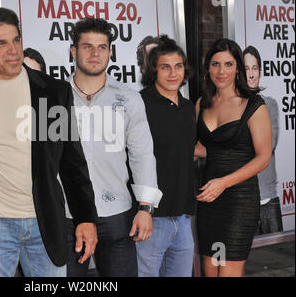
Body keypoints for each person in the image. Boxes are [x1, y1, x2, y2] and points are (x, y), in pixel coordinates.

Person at [0, 7, 98, 277]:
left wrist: (86, 218)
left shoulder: (52, 92)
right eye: (1, 43)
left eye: (16, 40)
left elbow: (71, 163)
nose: (13, 50)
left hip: (43, 222)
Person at [65, 18, 162, 277]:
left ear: (110, 52)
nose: (95, 53)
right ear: (74, 51)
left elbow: (142, 154)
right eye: (87, 46)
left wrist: (145, 208)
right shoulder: (55, 97)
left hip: (117, 215)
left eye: (102, 47)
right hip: (67, 215)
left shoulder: (129, 99)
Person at [195, 38, 272, 277]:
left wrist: (223, 183)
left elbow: (263, 157)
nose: (221, 71)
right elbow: (203, 148)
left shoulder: (254, 105)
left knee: (227, 272)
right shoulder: (202, 104)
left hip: (238, 201)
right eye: (215, 64)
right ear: (208, 68)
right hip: (210, 200)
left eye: (228, 64)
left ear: (238, 67)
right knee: (211, 270)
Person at [136, 35, 196, 277]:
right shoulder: (139, 104)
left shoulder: (188, 107)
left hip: (182, 217)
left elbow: (188, 149)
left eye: (178, 66)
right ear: (154, 70)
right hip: (151, 218)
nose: (173, 73)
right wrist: (144, 211)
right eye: (165, 67)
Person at [243, 45, 283, 235]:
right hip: (241, 203)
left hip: (268, 201)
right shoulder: (230, 107)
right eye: (246, 69)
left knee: (279, 263)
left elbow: (268, 145)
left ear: (260, 71)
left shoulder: (270, 105)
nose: (251, 74)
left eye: (255, 68)